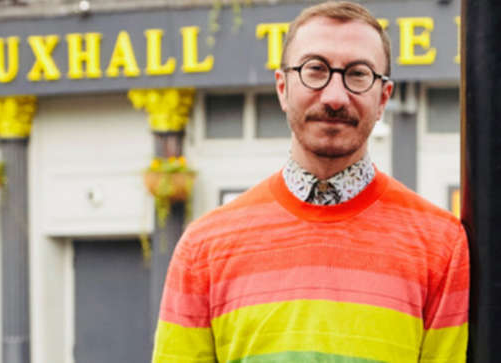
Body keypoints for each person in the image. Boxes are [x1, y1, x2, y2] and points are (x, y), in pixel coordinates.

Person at [151, 1, 469, 362]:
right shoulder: (203, 250)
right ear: (282, 87)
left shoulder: (441, 247)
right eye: (314, 70)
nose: (334, 97)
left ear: (383, 98)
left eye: (358, 73)